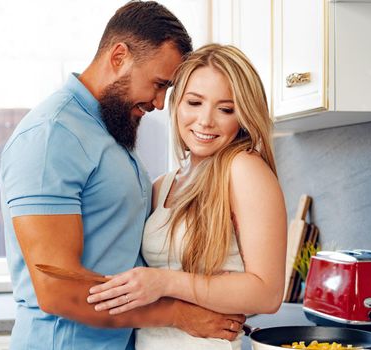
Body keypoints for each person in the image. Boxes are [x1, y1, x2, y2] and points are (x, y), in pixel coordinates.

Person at [0, 3, 246, 350]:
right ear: (119, 56)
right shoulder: (52, 136)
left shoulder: (110, 128)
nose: (161, 103)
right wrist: (178, 313)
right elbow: (58, 291)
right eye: (159, 85)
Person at [86, 44, 288, 350]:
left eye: (226, 109)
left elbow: (267, 293)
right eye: (194, 102)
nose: (205, 121)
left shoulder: (243, 170)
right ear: (176, 103)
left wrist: (164, 282)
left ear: (244, 116)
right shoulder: (163, 186)